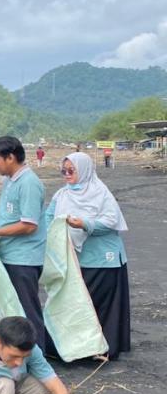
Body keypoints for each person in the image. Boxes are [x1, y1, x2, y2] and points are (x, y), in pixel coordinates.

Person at [45, 153, 130, 360]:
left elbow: (111, 221)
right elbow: (48, 216)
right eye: (63, 171)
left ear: (84, 170)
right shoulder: (62, 195)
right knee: (72, 301)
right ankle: (69, 347)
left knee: (99, 304)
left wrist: (84, 224)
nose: (66, 175)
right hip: (74, 257)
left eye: (71, 171)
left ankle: (103, 348)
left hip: (103, 257)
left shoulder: (100, 192)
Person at [0, 136, 48, 352]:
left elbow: (29, 225)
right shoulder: (10, 180)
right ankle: (17, 353)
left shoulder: (29, 183)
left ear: (10, 157)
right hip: (9, 254)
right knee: (12, 308)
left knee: (27, 310)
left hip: (24, 258)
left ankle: (39, 356)